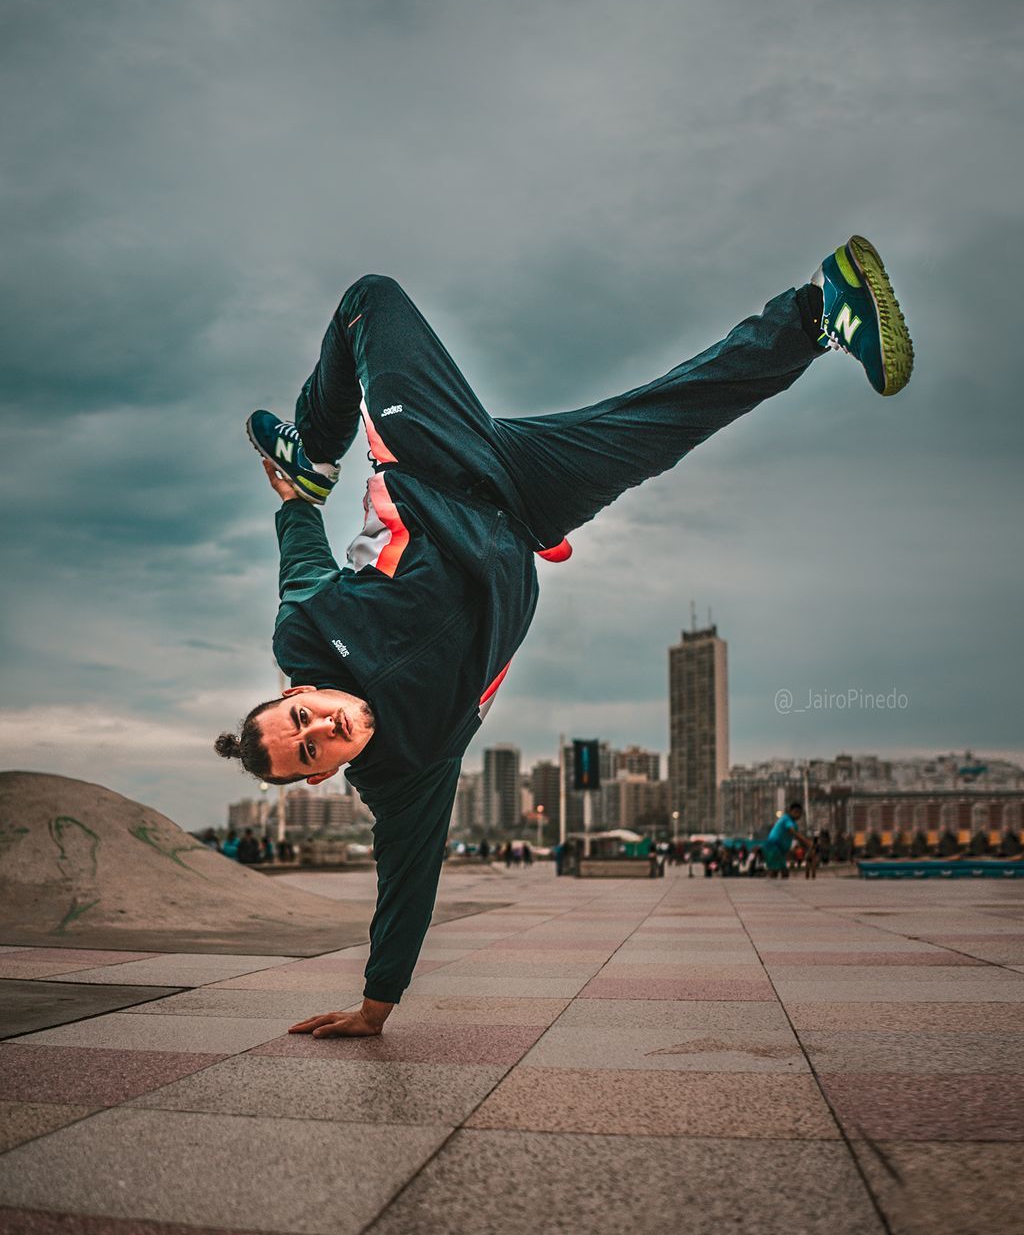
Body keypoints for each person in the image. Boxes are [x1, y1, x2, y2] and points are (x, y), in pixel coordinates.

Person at [213, 238, 913, 1039]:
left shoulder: (304, 628)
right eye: (311, 750)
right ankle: (821, 309)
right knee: (661, 425)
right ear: (320, 777)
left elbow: (299, 559)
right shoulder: (407, 773)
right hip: (526, 500)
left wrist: (299, 494)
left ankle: (314, 441)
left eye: (301, 717)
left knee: (369, 298)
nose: (320, 729)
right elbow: (405, 884)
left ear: (299, 693)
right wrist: (376, 1008)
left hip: (439, 456)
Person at [763, 803, 814, 879]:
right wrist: (807, 842)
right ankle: (772, 888)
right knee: (778, 870)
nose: (797, 814)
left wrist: (806, 847)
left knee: (778, 871)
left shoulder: (793, 823)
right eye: (795, 812)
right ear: (790, 811)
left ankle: (775, 887)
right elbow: (793, 832)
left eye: (799, 813)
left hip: (778, 849)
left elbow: (796, 838)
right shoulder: (787, 819)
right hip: (774, 846)